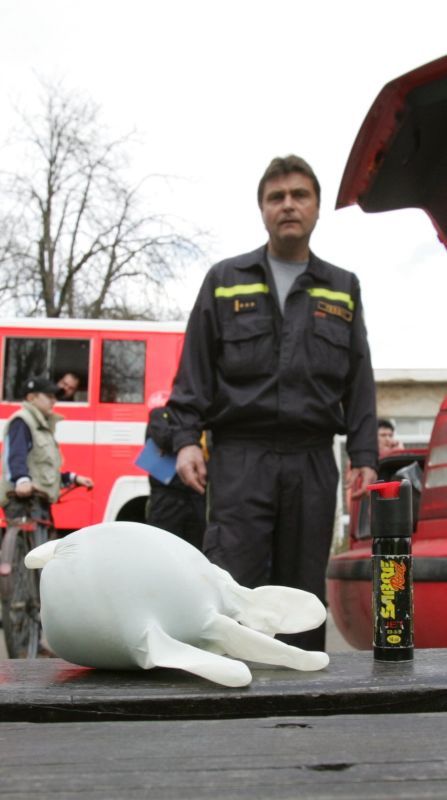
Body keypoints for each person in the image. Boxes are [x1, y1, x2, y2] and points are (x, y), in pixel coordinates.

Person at [168, 155, 378, 651]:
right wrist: (185, 441)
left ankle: (302, 703)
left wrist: (365, 455)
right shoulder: (225, 279)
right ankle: (229, 699)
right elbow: (194, 366)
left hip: (312, 458)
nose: (288, 205)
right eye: (276, 197)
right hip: (241, 457)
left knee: (302, 593)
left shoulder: (342, 288)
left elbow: (359, 377)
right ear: (262, 209)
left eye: (299, 195)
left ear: (317, 208)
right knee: (230, 583)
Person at [0, 376, 93, 522]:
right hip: (22, 501)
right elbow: (16, 455)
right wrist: (21, 480)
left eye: (55, 397)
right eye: (49, 396)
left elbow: (43, 469)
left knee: (41, 543)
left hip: (37, 502)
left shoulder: (42, 426)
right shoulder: (22, 421)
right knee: (30, 543)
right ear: (31, 397)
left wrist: (73, 478)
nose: (54, 401)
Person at [144, 405, 207, 550]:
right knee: (162, 548)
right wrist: (188, 441)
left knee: (194, 550)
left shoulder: (199, 419)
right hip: (166, 496)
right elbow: (163, 437)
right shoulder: (160, 414)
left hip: (195, 495)